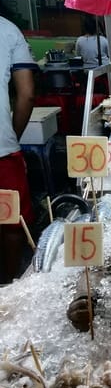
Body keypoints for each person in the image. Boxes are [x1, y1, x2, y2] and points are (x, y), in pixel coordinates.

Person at [0, 16, 38, 283]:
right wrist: (13, 137)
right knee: (12, 223)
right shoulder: (7, 30)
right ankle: (8, 284)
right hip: (2, 147)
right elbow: (26, 94)